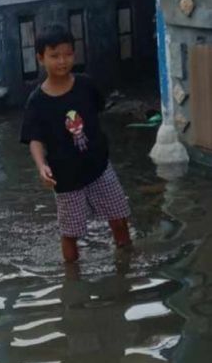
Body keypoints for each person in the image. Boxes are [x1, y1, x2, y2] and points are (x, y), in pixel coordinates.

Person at [20, 25, 132, 263]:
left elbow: (97, 115)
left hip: (99, 168)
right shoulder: (37, 101)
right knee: (70, 233)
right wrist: (41, 166)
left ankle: (126, 262)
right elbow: (34, 139)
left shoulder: (86, 85)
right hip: (66, 178)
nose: (62, 61)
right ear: (41, 58)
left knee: (119, 218)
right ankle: (72, 279)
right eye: (54, 56)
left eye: (68, 54)